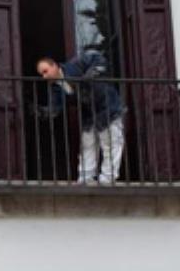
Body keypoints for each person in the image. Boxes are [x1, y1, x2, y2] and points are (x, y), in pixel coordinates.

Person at [36, 51, 126, 185]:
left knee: (110, 143)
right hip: (88, 114)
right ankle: (85, 178)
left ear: (54, 65)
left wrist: (92, 74)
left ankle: (108, 178)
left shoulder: (76, 64)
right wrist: (42, 111)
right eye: (42, 74)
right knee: (87, 145)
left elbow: (98, 58)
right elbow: (55, 109)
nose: (44, 76)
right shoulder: (54, 89)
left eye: (45, 71)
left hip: (107, 107)